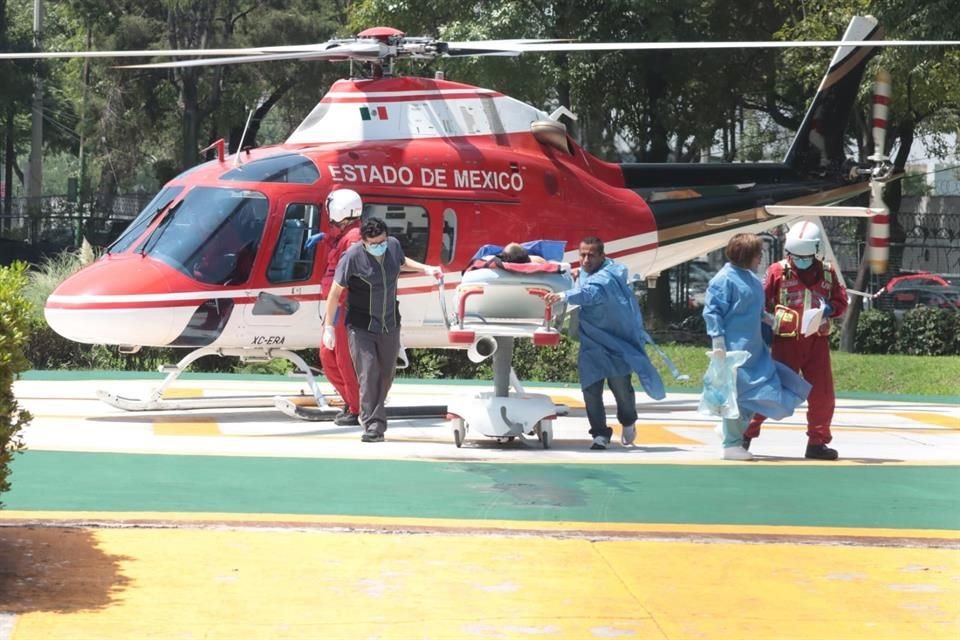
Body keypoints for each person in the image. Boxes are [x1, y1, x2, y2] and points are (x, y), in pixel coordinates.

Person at [323, 217, 440, 442]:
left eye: (382, 241)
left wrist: (427, 269)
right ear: (364, 242)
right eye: (374, 243)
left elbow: (402, 262)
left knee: (386, 375)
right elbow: (335, 293)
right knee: (368, 374)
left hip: (389, 323)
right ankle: (373, 426)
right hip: (361, 326)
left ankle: (373, 412)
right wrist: (329, 327)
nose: (380, 246)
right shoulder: (352, 257)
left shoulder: (393, 246)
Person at [544, 236, 665, 450]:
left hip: (616, 342)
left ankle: (628, 421)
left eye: (591, 255)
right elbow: (583, 284)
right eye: (582, 255)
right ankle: (599, 433)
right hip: (592, 343)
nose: (585, 260)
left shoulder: (609, 277)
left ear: (602, 256)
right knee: (590, 390)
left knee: (622, 391)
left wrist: (564, 295)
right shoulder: (585, 273)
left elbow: (591, 293)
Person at [702, 233, 811, 461]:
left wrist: (774, 321)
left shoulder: (752, 279)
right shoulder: (723, 280)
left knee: (761, 391)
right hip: (733, 350)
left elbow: (757, 311)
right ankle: (731, 445)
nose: (761, 258)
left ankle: (729, 431)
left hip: (755, 349)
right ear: (747, 255)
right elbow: (713, 312)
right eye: (758, 253)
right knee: (739, 396)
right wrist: (718, 341)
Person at [744, 222, 847, 460]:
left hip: (817, 341)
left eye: (805, 257)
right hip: (786, 342)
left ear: (816, 251)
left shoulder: (829, 273)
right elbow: (762, 303)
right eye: (795, 256)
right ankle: (745, 433)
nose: (800, 260)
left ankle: (817, 442)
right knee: (771, 390)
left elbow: (841, 302)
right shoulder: (776, 272)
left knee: (823, 394)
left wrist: (831, 308)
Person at [318, 189, 364, 426]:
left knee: (344, 360)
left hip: (344, 307)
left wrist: (334, 315)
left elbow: (348, 274)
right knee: (328, 356)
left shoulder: (353, 237)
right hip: (336, 307)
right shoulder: (346, 234)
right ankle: (352, 401)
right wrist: (323, 238)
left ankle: (356, 409)